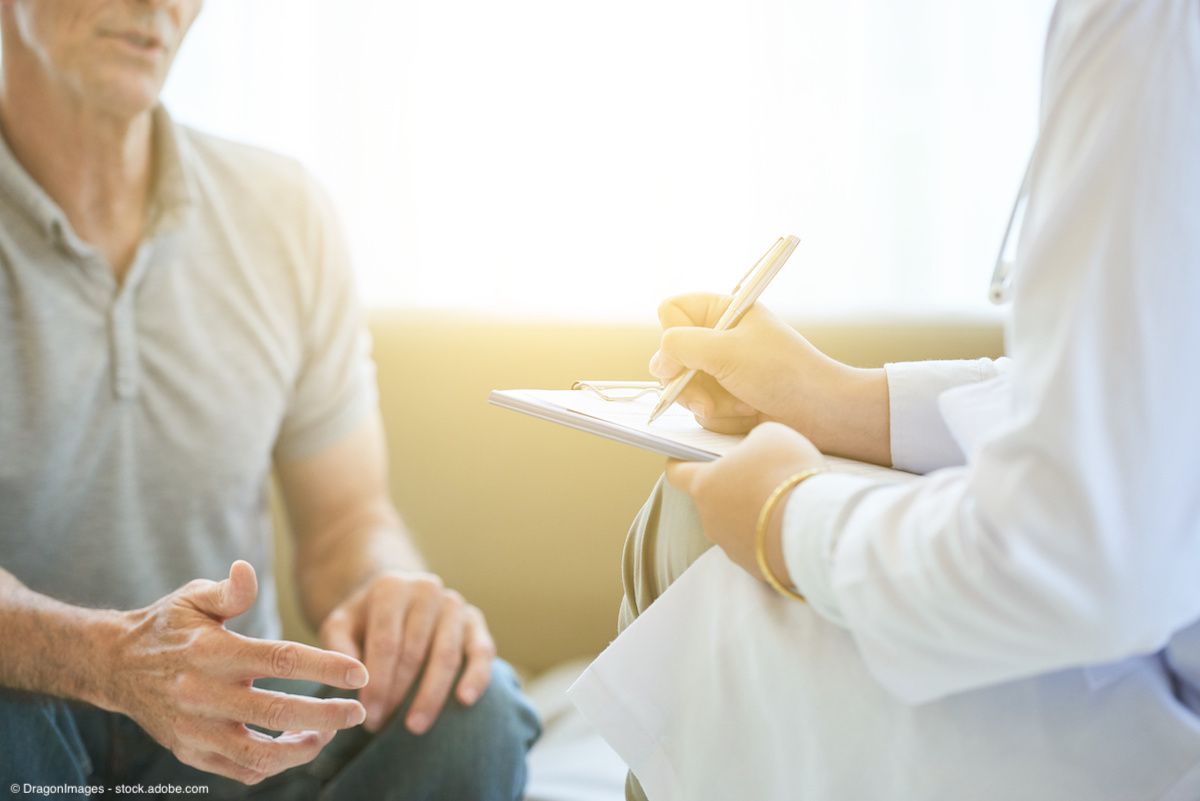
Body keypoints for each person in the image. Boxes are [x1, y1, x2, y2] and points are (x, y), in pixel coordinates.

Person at [618, 0, 1200, 798]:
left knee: (688, 538)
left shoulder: (1148, 24)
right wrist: (839, 399)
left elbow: (1073, 560)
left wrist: (785, 520)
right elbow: (1148, 389)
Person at [0, 0, 538, 797]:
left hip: (232, 743)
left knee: (472, 712)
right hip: (20, 731)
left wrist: (392, 597)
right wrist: (111, 662)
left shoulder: (283, 213)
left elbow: (346, 525)